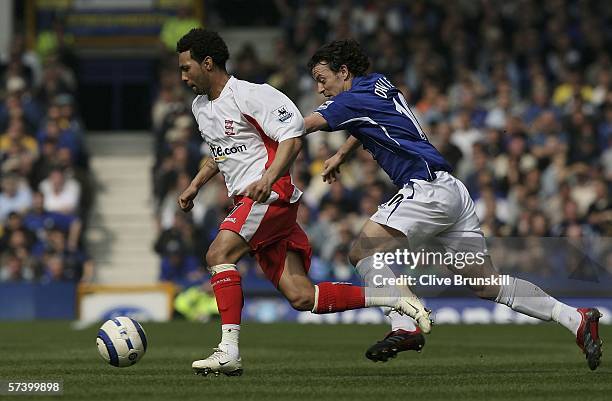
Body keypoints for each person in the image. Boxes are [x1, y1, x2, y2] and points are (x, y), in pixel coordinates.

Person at [302, 39, 602, 370]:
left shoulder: (351, 100)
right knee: (487, 284)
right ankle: (575, 318)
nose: (320, 89)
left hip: (425, 189)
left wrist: (253, 127)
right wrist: (342, 153)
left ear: (343, 71)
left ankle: (405, 325)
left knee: (362, 252)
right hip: (452, 192)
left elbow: (299, 127)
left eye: (322, 78)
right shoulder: (377, 85)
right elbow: (367, 122)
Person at [175, 29, 430, 377]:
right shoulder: (201, 107)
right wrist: (194, 185)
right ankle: (396, 300)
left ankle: (228, 351)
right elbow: (219, 153)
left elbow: (291, 136)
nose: (183, 76)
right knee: (301, 296)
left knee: (218, 255)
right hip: (250, 201)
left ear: (208, 63)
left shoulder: (252, 95)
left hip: (270, 194)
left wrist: (269, 177)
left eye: (187, 68)